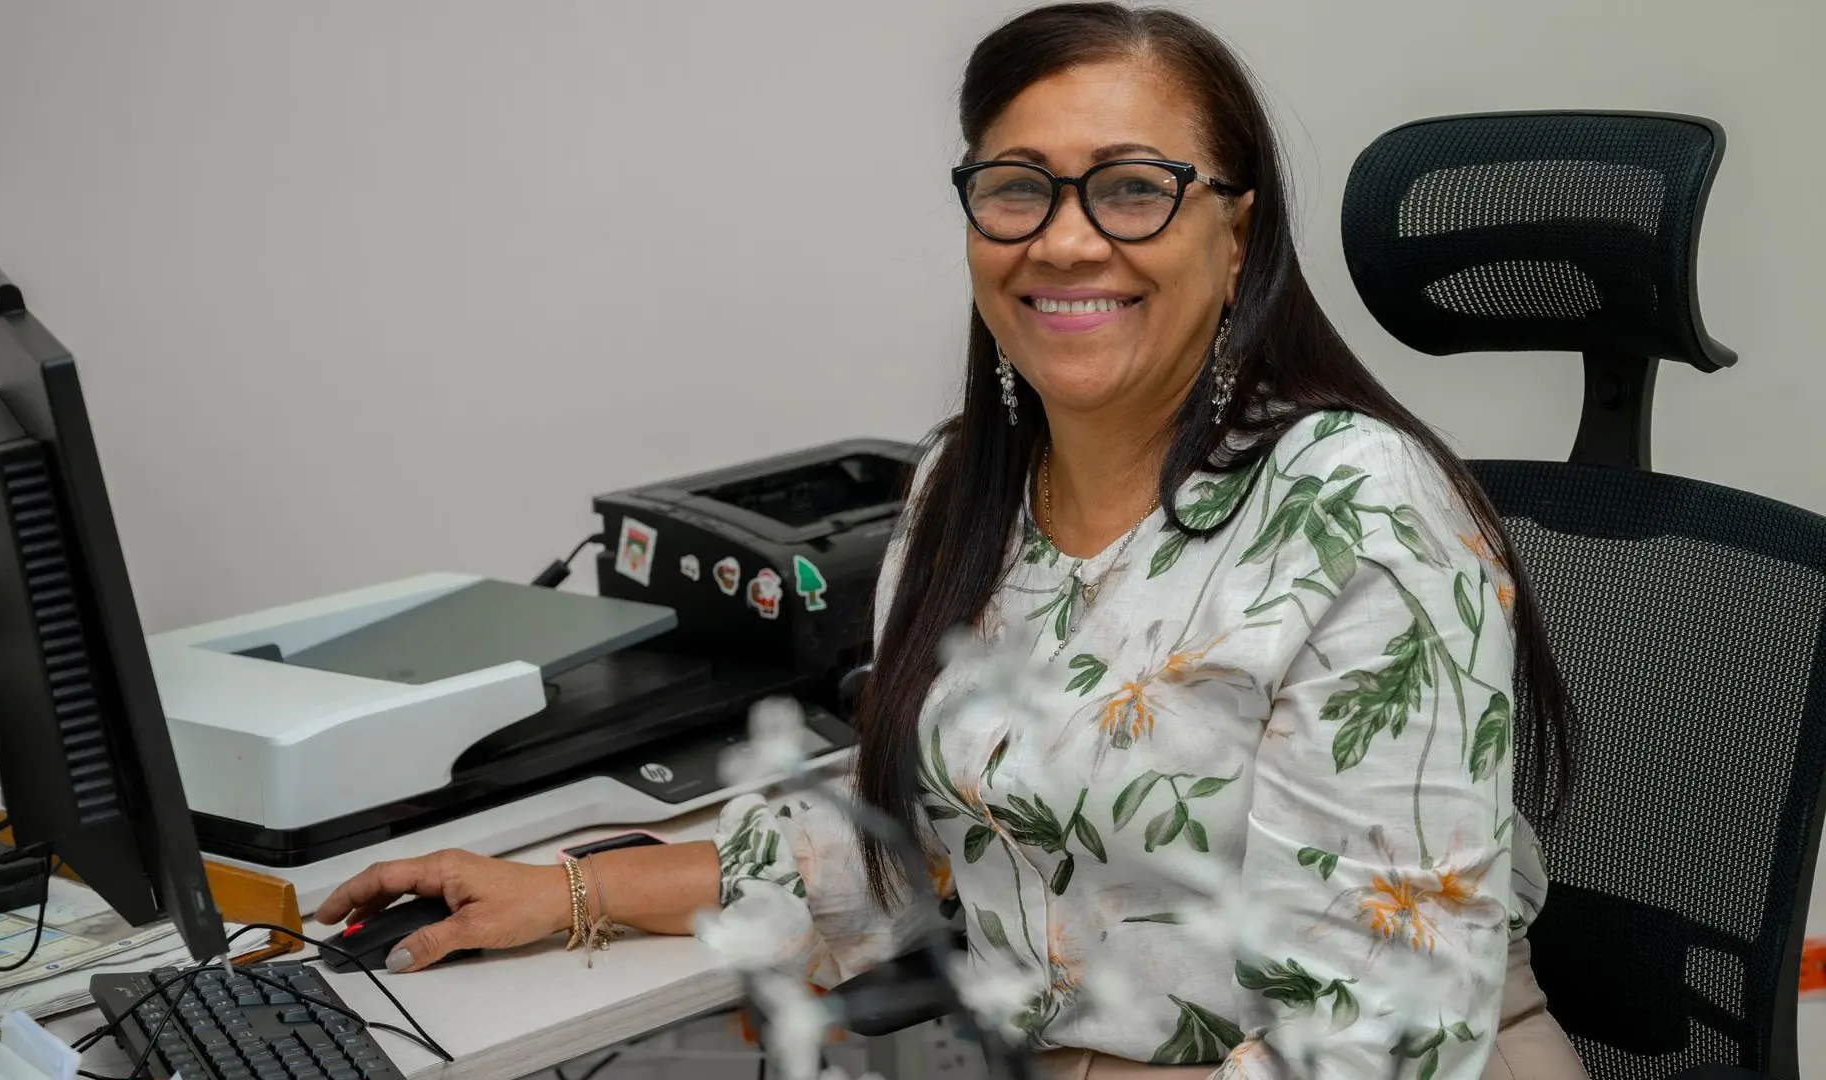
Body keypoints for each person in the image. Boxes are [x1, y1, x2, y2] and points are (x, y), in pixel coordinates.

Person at [313, 5, 1591, 1077]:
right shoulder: (959, 491)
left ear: (1236, 229)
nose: (1067, 237)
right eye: (1018, 187)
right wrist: (565, 893)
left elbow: (1385, 1034)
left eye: (1136, 188)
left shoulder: (1357, 509)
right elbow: (919, 845)